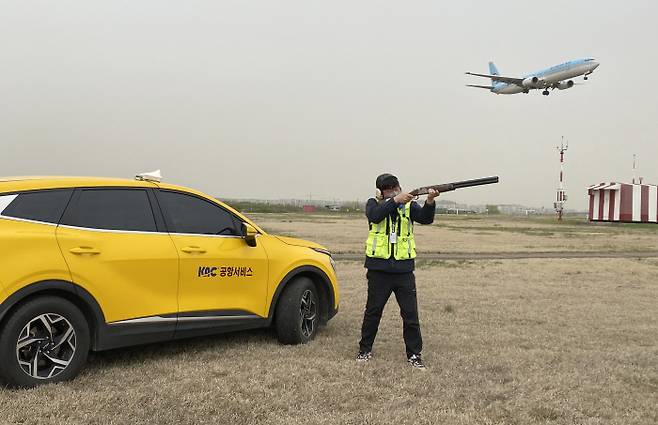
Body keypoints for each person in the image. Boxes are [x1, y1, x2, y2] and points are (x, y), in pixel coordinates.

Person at [357, 173, 438, 369]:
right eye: (390, 189)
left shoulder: (409, 205)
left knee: (410, 315)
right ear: (380, 192)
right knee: (373, 312)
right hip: (379, 270)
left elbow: (426, 219)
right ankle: (364, 350)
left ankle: (414, 355)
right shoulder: (373, 204)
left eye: (396, 187)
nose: (395, 190)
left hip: (404, 270)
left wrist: (429, 201)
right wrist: (395, 200)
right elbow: (375, 217)